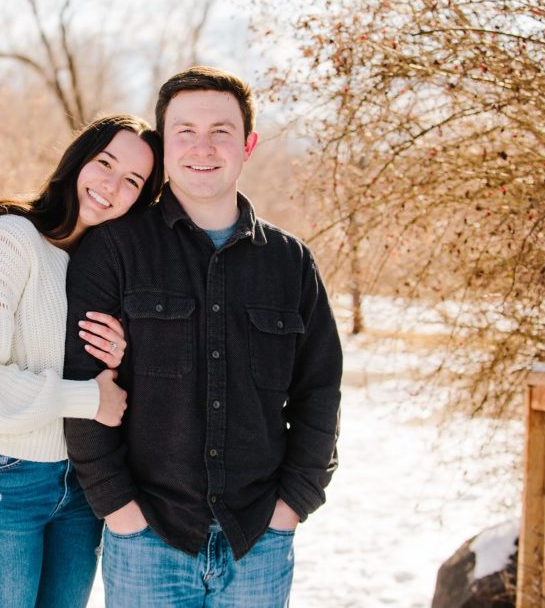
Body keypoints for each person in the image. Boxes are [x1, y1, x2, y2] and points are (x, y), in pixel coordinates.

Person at [63, 67, 343, 607]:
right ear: (164, 146)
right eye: (185, 131)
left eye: (222, 131)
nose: (203, 147)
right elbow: (79, 382)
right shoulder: (115, 249)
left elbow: (320, 390)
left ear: (248, 145)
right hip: (148, 537)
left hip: (258, 537)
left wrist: (293, 504)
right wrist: (118, 509)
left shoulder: (290, 262)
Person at [0, 113, 164, 608]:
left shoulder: (98, 269)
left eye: (132, 181)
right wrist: (87, 396)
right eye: (105, 163)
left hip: (77, 483)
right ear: (78, 160)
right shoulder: (12, 240)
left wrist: (117, 356)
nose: (111, 185)